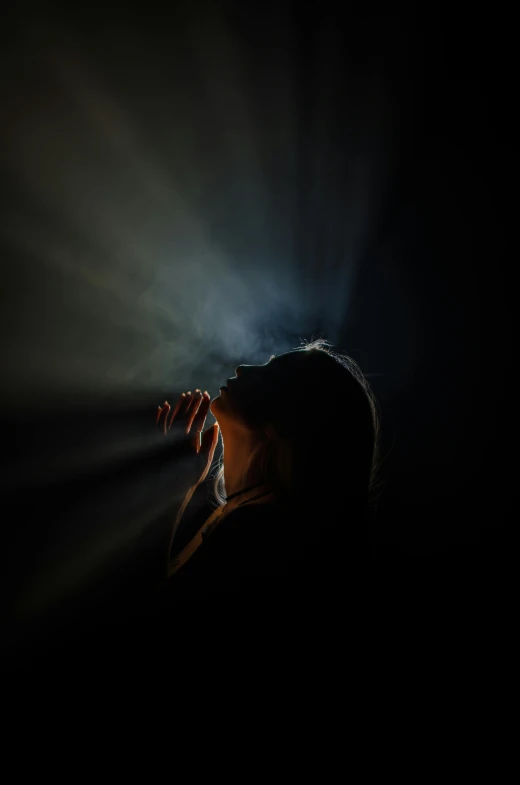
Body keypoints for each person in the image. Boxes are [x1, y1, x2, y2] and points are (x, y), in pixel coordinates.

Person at [153, 338, 380, 623]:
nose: (242, 369)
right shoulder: (243, 514)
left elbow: (148, 610)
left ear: (287, 421)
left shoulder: (255, 531)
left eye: (269, 373)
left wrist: (169, 490)